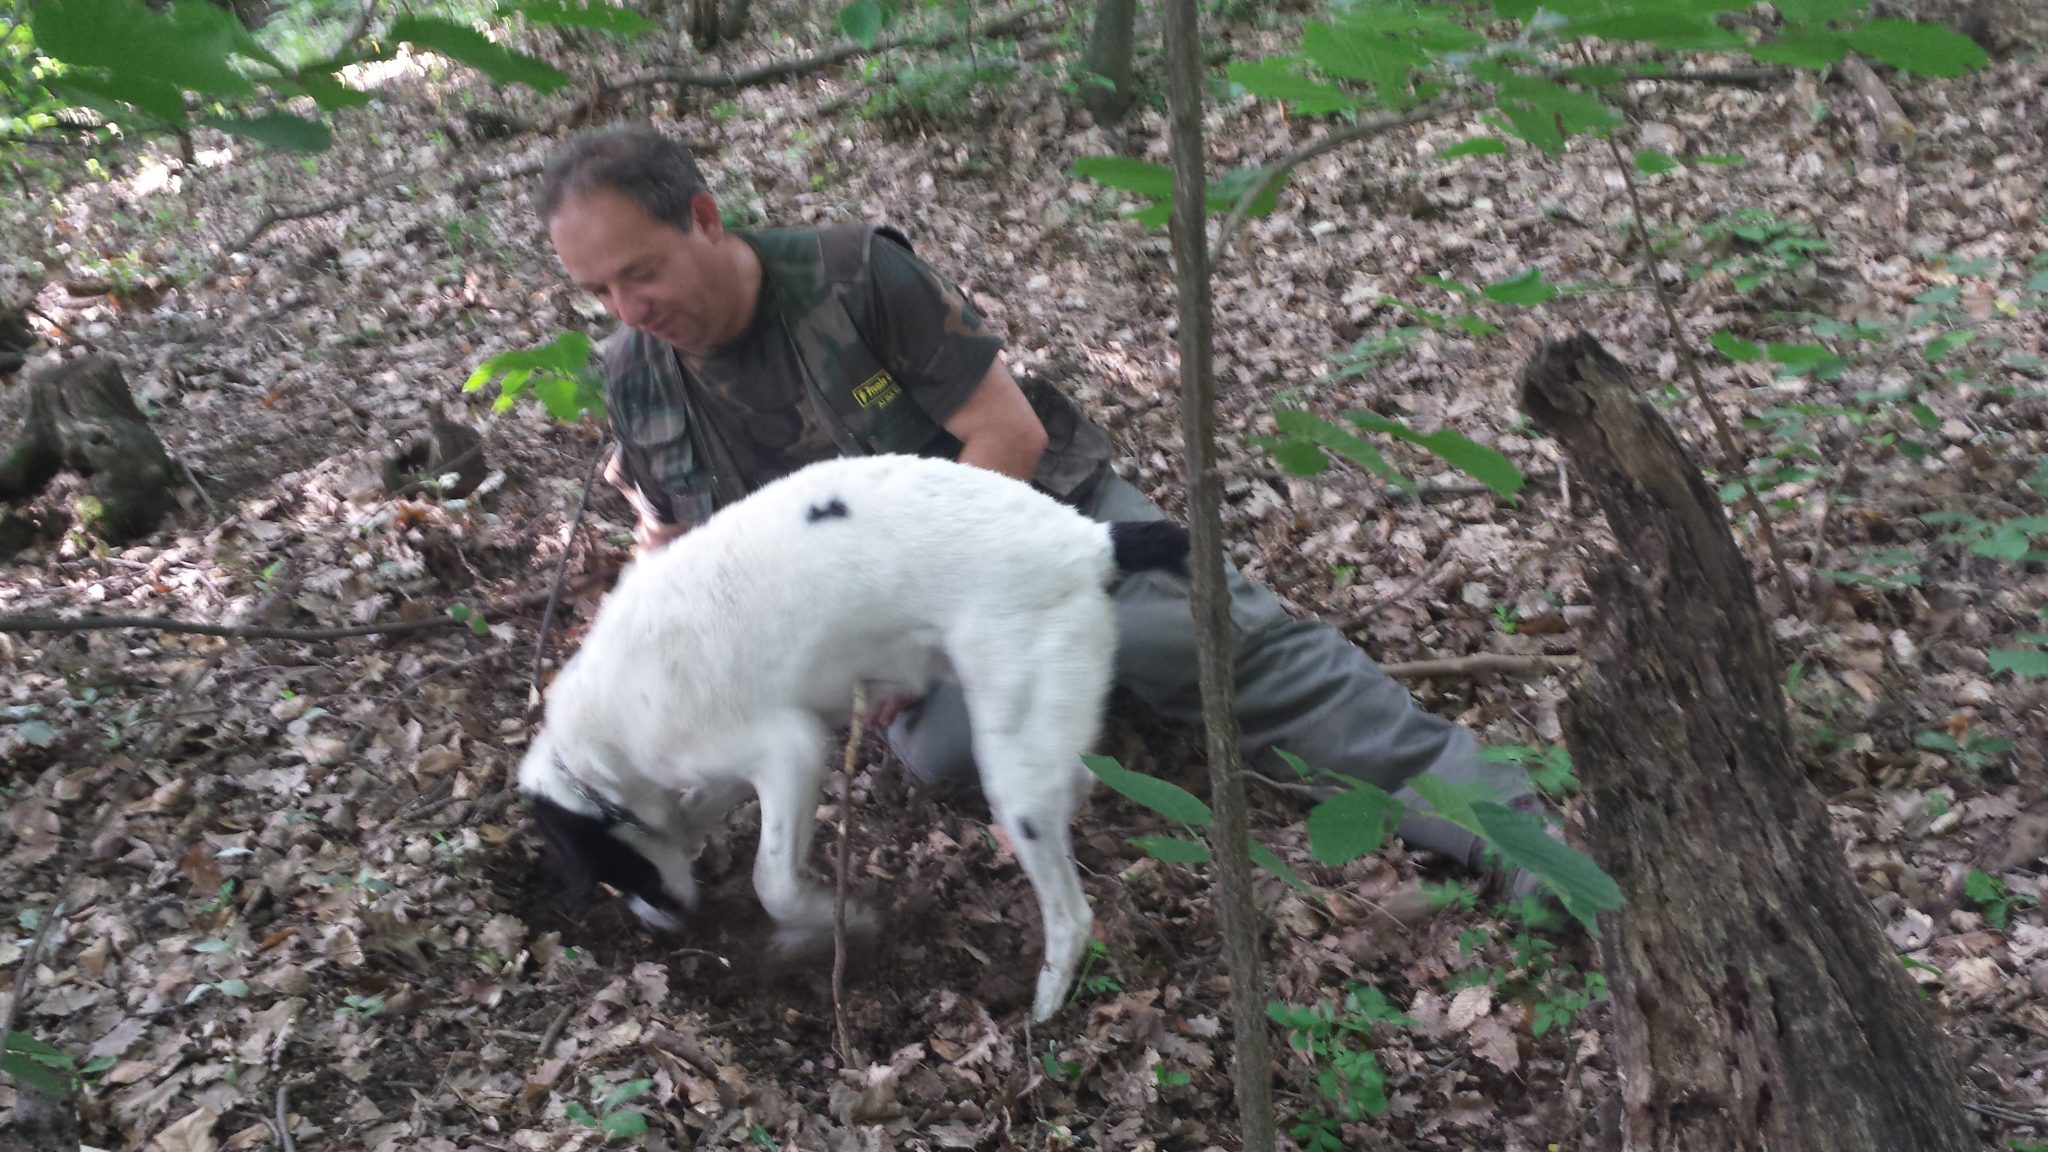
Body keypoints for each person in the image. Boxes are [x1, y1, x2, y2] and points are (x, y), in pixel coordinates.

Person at [535, 125, 1548, 897]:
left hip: (1034, 522)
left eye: (642, 272)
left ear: (704, 219)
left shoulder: (849, 278)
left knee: (1207, 636)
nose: (629, 309)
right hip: (893, 618)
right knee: (939, 755)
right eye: (599, 291)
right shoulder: (638, 377)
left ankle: (1516, 835)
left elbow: (1006, 438)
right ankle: (1081, 685)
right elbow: (679, 545)